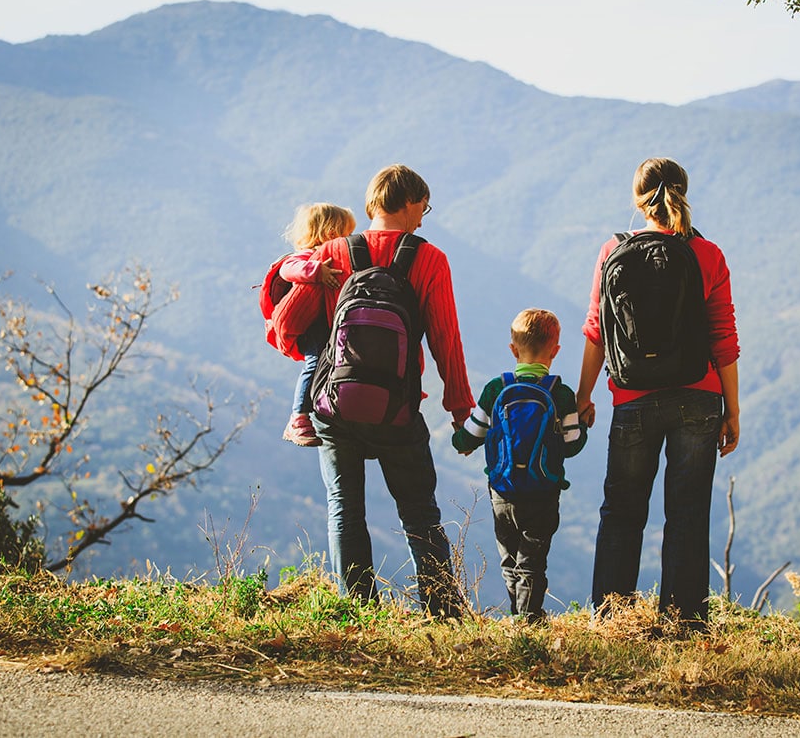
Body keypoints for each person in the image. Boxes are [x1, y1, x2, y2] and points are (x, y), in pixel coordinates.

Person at [280, 164, 475, 618]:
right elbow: (447, 339)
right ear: (407, 203)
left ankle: (360, 614)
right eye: (423, 207)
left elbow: (287, 323)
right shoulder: (429, 259)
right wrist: (459, 407)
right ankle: (443, 613)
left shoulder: (331, 253)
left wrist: (316, 347)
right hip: (398, 411)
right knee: (419, 511)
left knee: (344, 507)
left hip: (335, 407)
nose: (424, 218)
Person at [576, 157, 740, 628]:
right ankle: (684, 621)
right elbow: (723, 337)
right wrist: (732, 409)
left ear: (637, 199)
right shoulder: (707, 254)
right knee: (687, 511)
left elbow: (596, 331)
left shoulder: (613, 251)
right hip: (699, 397)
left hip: (632, 399)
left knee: (622, 510)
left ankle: (611, 617)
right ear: (684, 193)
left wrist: (584, 396)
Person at [452, 308, 587, 623]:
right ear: (555, 351)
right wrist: (584, 423)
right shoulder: (561, 394)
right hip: (543, 491)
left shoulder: (495, 389)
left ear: (513, 349)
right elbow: (572, 446)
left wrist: (460, 442)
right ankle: (528, 619)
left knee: (509, 559)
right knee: (533, 561)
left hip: (502, 491)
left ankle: (519, 614)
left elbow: (470, 437)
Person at [279, 203, 356, 447]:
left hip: (329, 322)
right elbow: (286, 269)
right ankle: (298, 417)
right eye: (344, 233)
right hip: (312, 325)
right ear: (329, 232)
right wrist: (316, 271)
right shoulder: (306, 255)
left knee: (328, 363)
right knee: (314, 363)